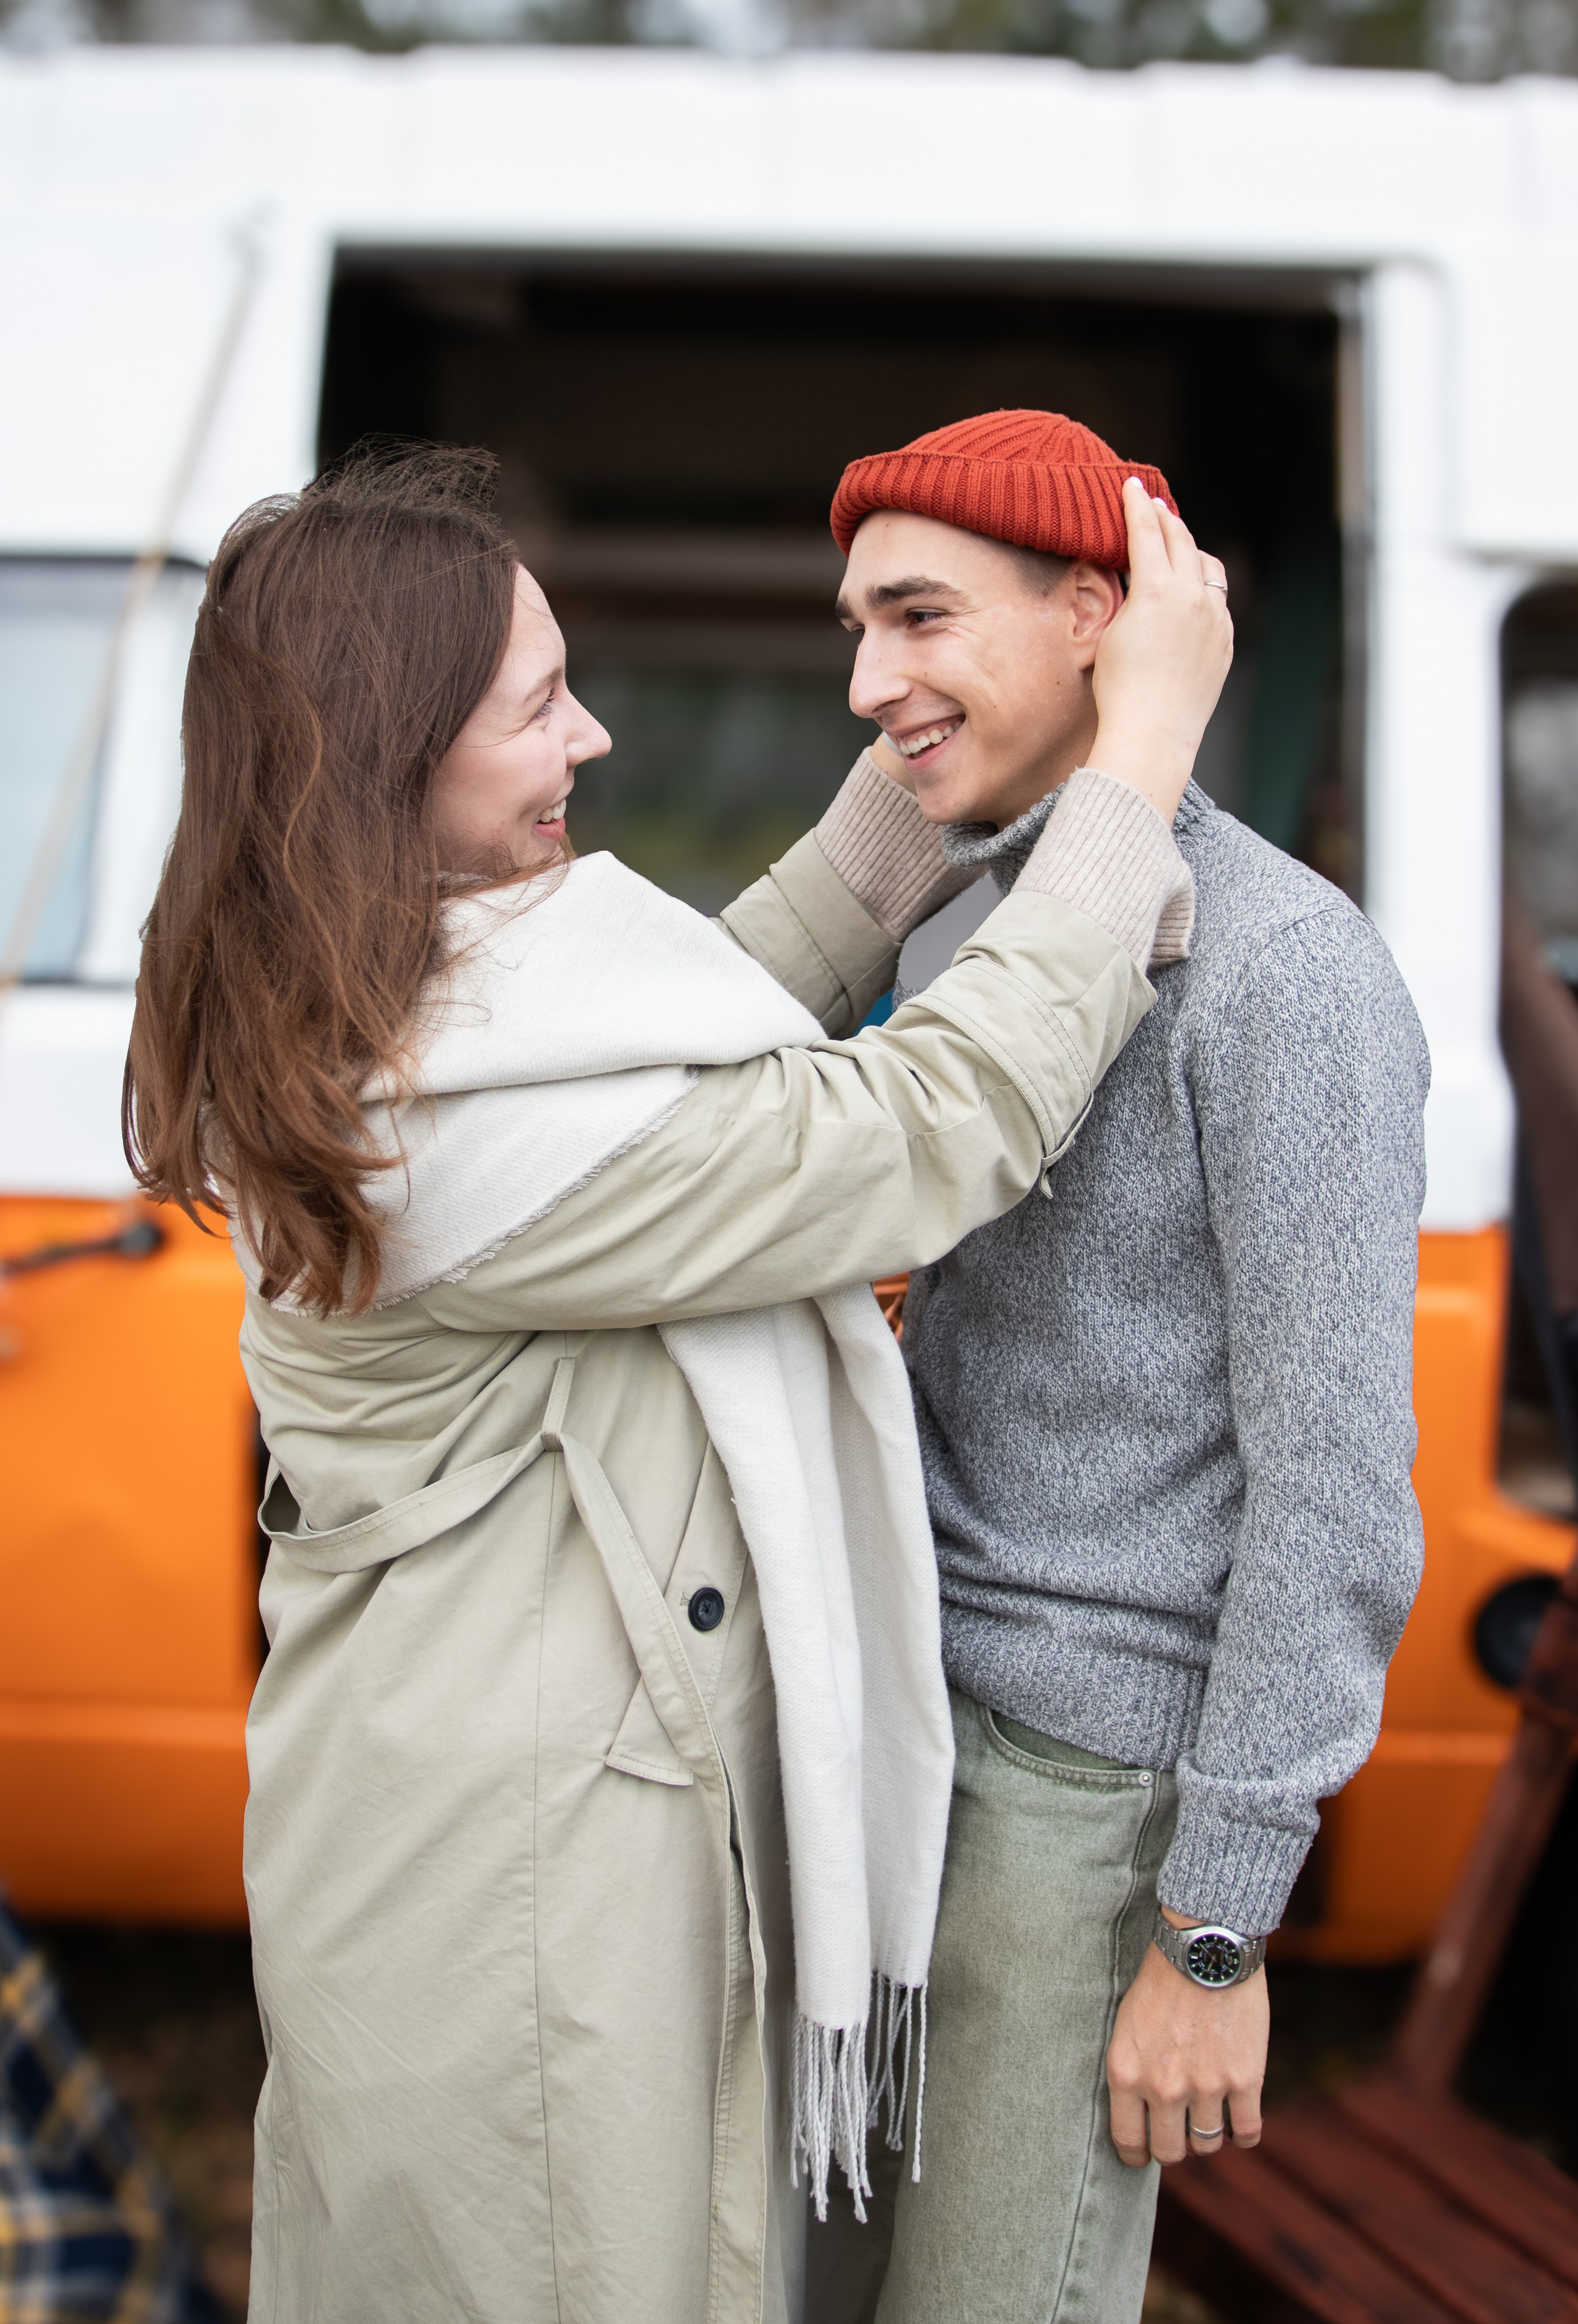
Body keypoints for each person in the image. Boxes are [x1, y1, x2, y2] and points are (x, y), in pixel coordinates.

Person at [122, 440, 1230, 2324]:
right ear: (388, 766)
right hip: (520, 1897)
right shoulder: (427, 1129)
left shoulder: (367, 996)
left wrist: (928, 748)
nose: (596, 741)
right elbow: (925, 1119)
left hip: (477, 1818)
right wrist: (1140, 761)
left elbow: (703, 1026)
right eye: (541, 706)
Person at [812, 409, 1429, 2324]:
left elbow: (1334, 1487)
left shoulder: (1287, 973)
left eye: (920, 616)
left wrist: (1217, 1928)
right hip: (902, 1759)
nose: (869, 682)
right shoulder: (989, 899)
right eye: (855, 626)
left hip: (1080, 1810)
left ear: (1103, 612)